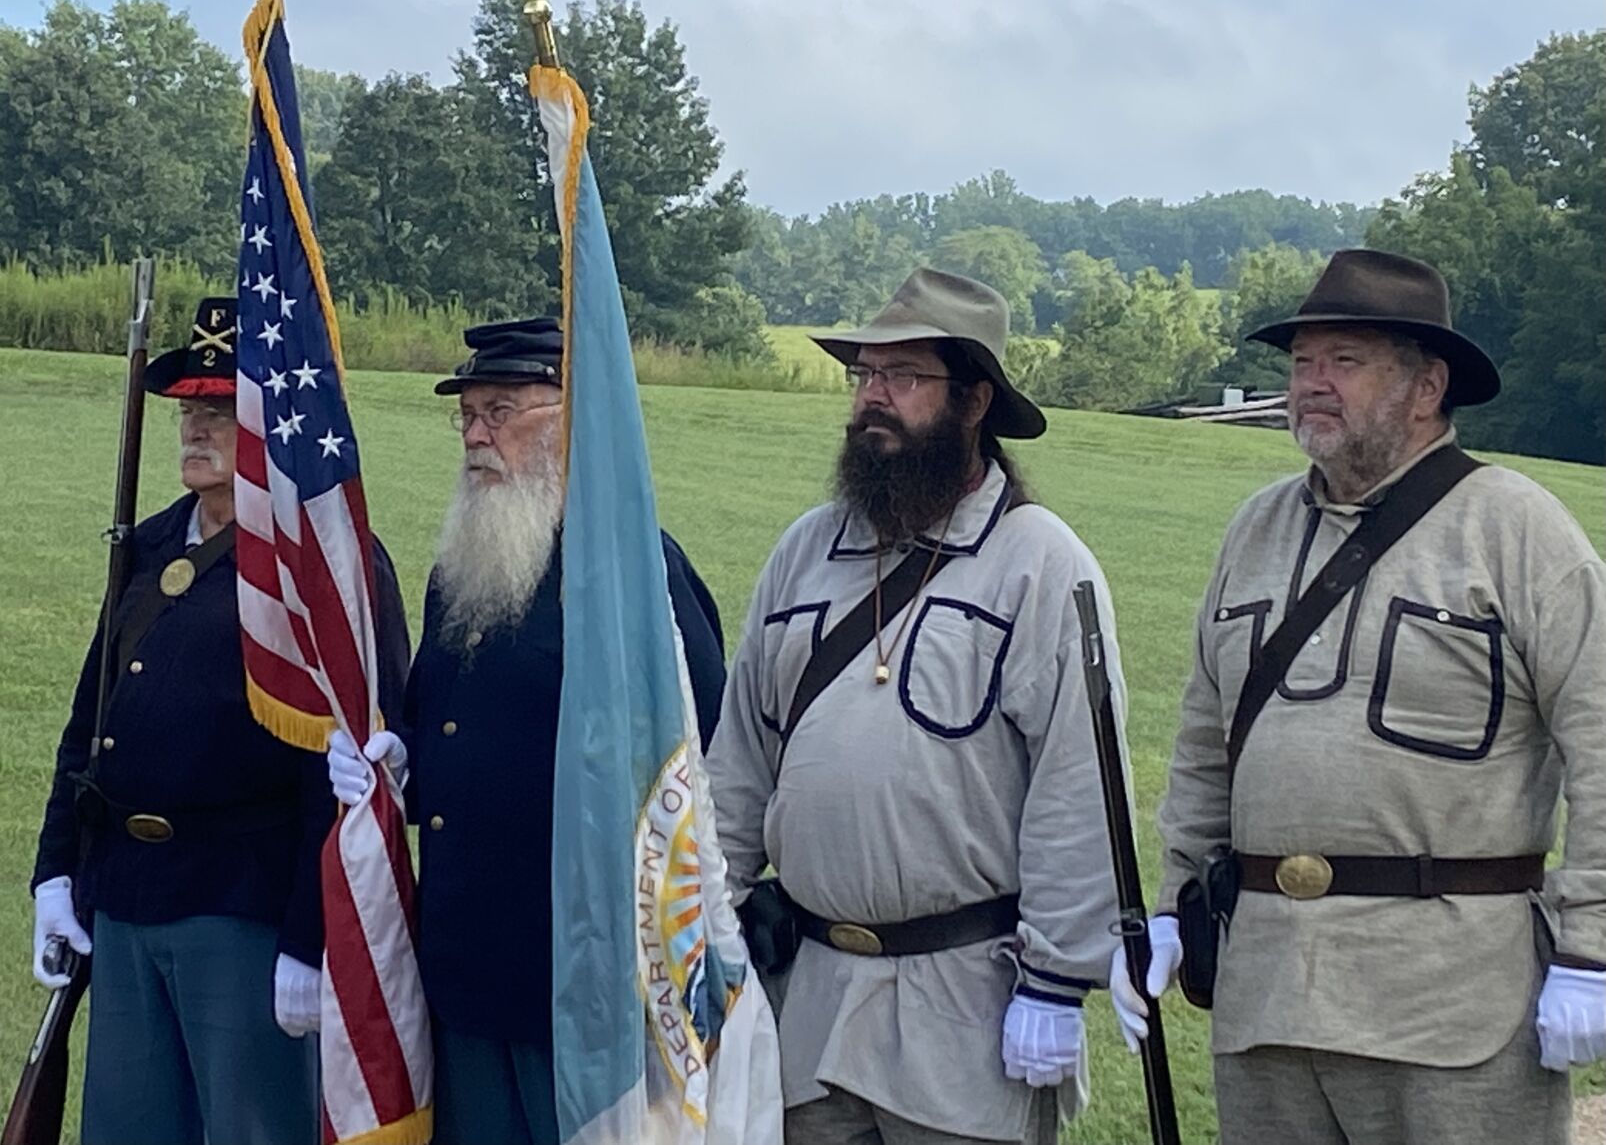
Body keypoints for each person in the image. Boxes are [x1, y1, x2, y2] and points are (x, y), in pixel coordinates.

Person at [1114, 249, 1606, 1144]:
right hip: (1268, 995)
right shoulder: (1255, 528)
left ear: (1427, 387)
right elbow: (1202, 741)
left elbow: (1603, 740)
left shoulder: (1517, 528)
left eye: (1345, 361)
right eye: (1302, 364)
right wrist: (1173, 898)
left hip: (1452, 1005)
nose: (1312, 385)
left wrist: (1590, 947)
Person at [706, 268, 1130, 1145]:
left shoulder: (1041, 564)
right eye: (865, 376)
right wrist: (711, 912)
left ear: (974, 401)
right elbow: (741, 756)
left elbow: (1080, 784)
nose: (874, 400)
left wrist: (1054, 982)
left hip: (964, 1012)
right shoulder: (805, 551)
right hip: (808, 1001)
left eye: (903, 379)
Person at [326, 317, 728, 1145]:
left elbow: (701, 758)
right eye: (468, 414)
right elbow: (437, 715)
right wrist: (399, 762)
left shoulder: (637, 576)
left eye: (501, 410)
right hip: (466, 966)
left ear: (572, 421)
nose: (476, 435)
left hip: (582, 982)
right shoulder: (461, 568)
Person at [30, 296, 411, 1145]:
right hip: (125, 896)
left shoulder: (324, 562)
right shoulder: (152, 539)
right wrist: (56, 873)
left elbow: (344, 757)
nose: (195, 429)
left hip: (242, 906)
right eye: (190, 410)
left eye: (219, 409)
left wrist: (309, 938)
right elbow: (93, 717)